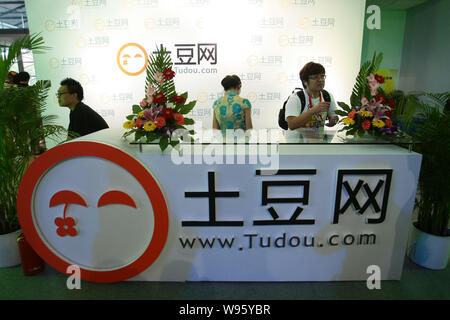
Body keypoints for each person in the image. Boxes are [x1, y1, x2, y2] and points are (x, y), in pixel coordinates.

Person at [285, 62, 338, 139]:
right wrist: (313, 110)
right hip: (296, 145)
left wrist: (333, 120)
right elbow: (292, 125)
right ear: (305, 82)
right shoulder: (296, 98)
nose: (320, 80)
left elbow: (334, 117)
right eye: (315, 77)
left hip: (317, 142)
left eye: (322, 76)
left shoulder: (327, 96)